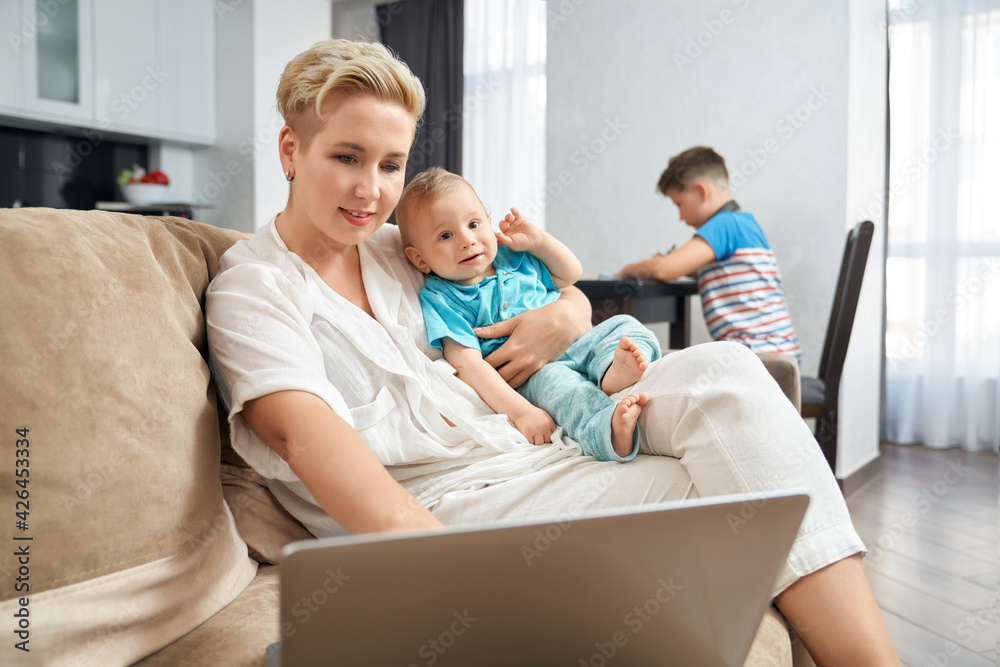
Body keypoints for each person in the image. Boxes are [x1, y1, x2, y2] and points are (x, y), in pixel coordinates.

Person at [205, 39, 900, 665]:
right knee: (742, 494)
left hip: (534, 456)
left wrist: (560, 317)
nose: (371, 190)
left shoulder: (404, 246)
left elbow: (557, 290)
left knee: (728, 373)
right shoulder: (253, 290)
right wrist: (442, 582)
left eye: (391, 164)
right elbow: (307, 441)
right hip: (447, 507)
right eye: (346, 158)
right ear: (291, 150)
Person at [395, 166, 659, 461]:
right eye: (445, 235)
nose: (467, 240)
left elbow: (570, 274)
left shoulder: (515, 256)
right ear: (419, 259)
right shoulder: (442, 297)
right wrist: (522, 413)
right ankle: (606, 433)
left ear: (489, 222)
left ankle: (611, 372)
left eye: (473, 223)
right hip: (535, 374)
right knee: (565, 391)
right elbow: (468, 365)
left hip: (579, 340)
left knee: (625, 325)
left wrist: (539, 242)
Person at [618, 146, 801, 359]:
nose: (680, 217)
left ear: (701, 192)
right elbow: (715, 272)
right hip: (776, 354)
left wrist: (628, 270)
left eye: (679, 204)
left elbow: (664, 270)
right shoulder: (742, 223)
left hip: (761, 359)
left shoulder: (723, 224)